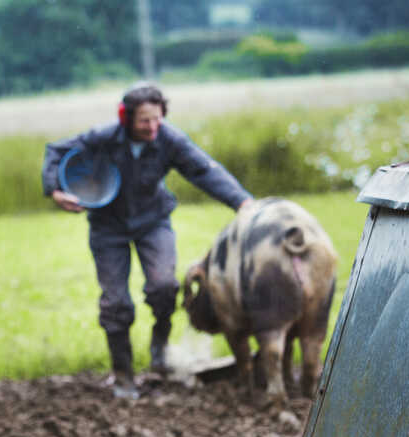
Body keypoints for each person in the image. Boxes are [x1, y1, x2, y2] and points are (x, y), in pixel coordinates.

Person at [42, 82, 253, 399]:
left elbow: (204, 171)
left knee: (164, 287)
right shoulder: (104, 137)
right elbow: (56, 151)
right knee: (115, 303)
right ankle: (124, 375)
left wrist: (242, 202)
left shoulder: (169, 139)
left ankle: (159, 347)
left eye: (157, 119)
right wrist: (54, 190)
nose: (153, 127)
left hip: (153, 222)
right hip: (108, 226)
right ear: (126, 118)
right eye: (144, 121)